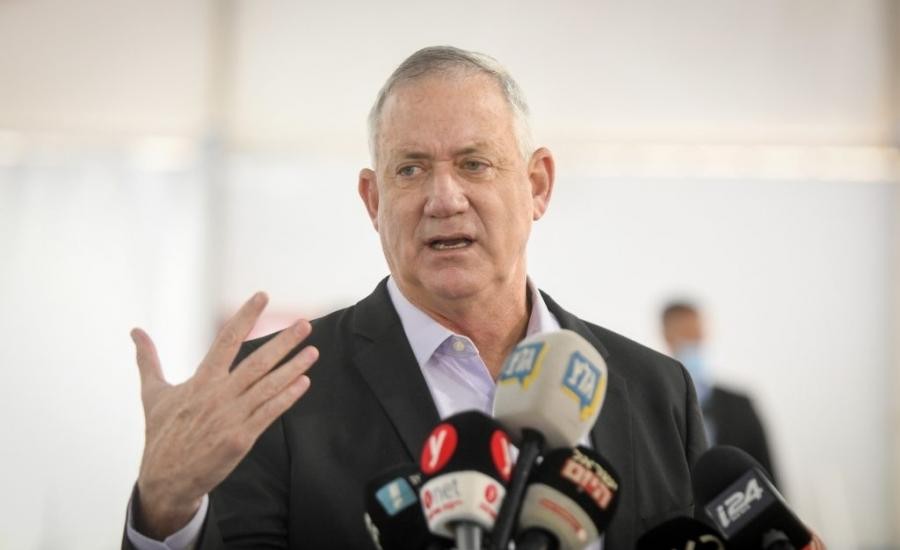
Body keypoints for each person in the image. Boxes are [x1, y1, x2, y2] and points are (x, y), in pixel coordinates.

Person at [123, 46, 707, 550]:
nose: (444, 198)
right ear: (373, 200)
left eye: (474, 164)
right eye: (410, 170)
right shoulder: (273, 390)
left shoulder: (657, 390)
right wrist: (165, 510)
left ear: (537, 185)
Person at [661, 300, 779, 485]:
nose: (695, 343)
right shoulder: (656, 405)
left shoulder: (740, 405)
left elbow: (768, 474)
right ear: (667, 336)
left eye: (698, 335)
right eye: (686, 335)